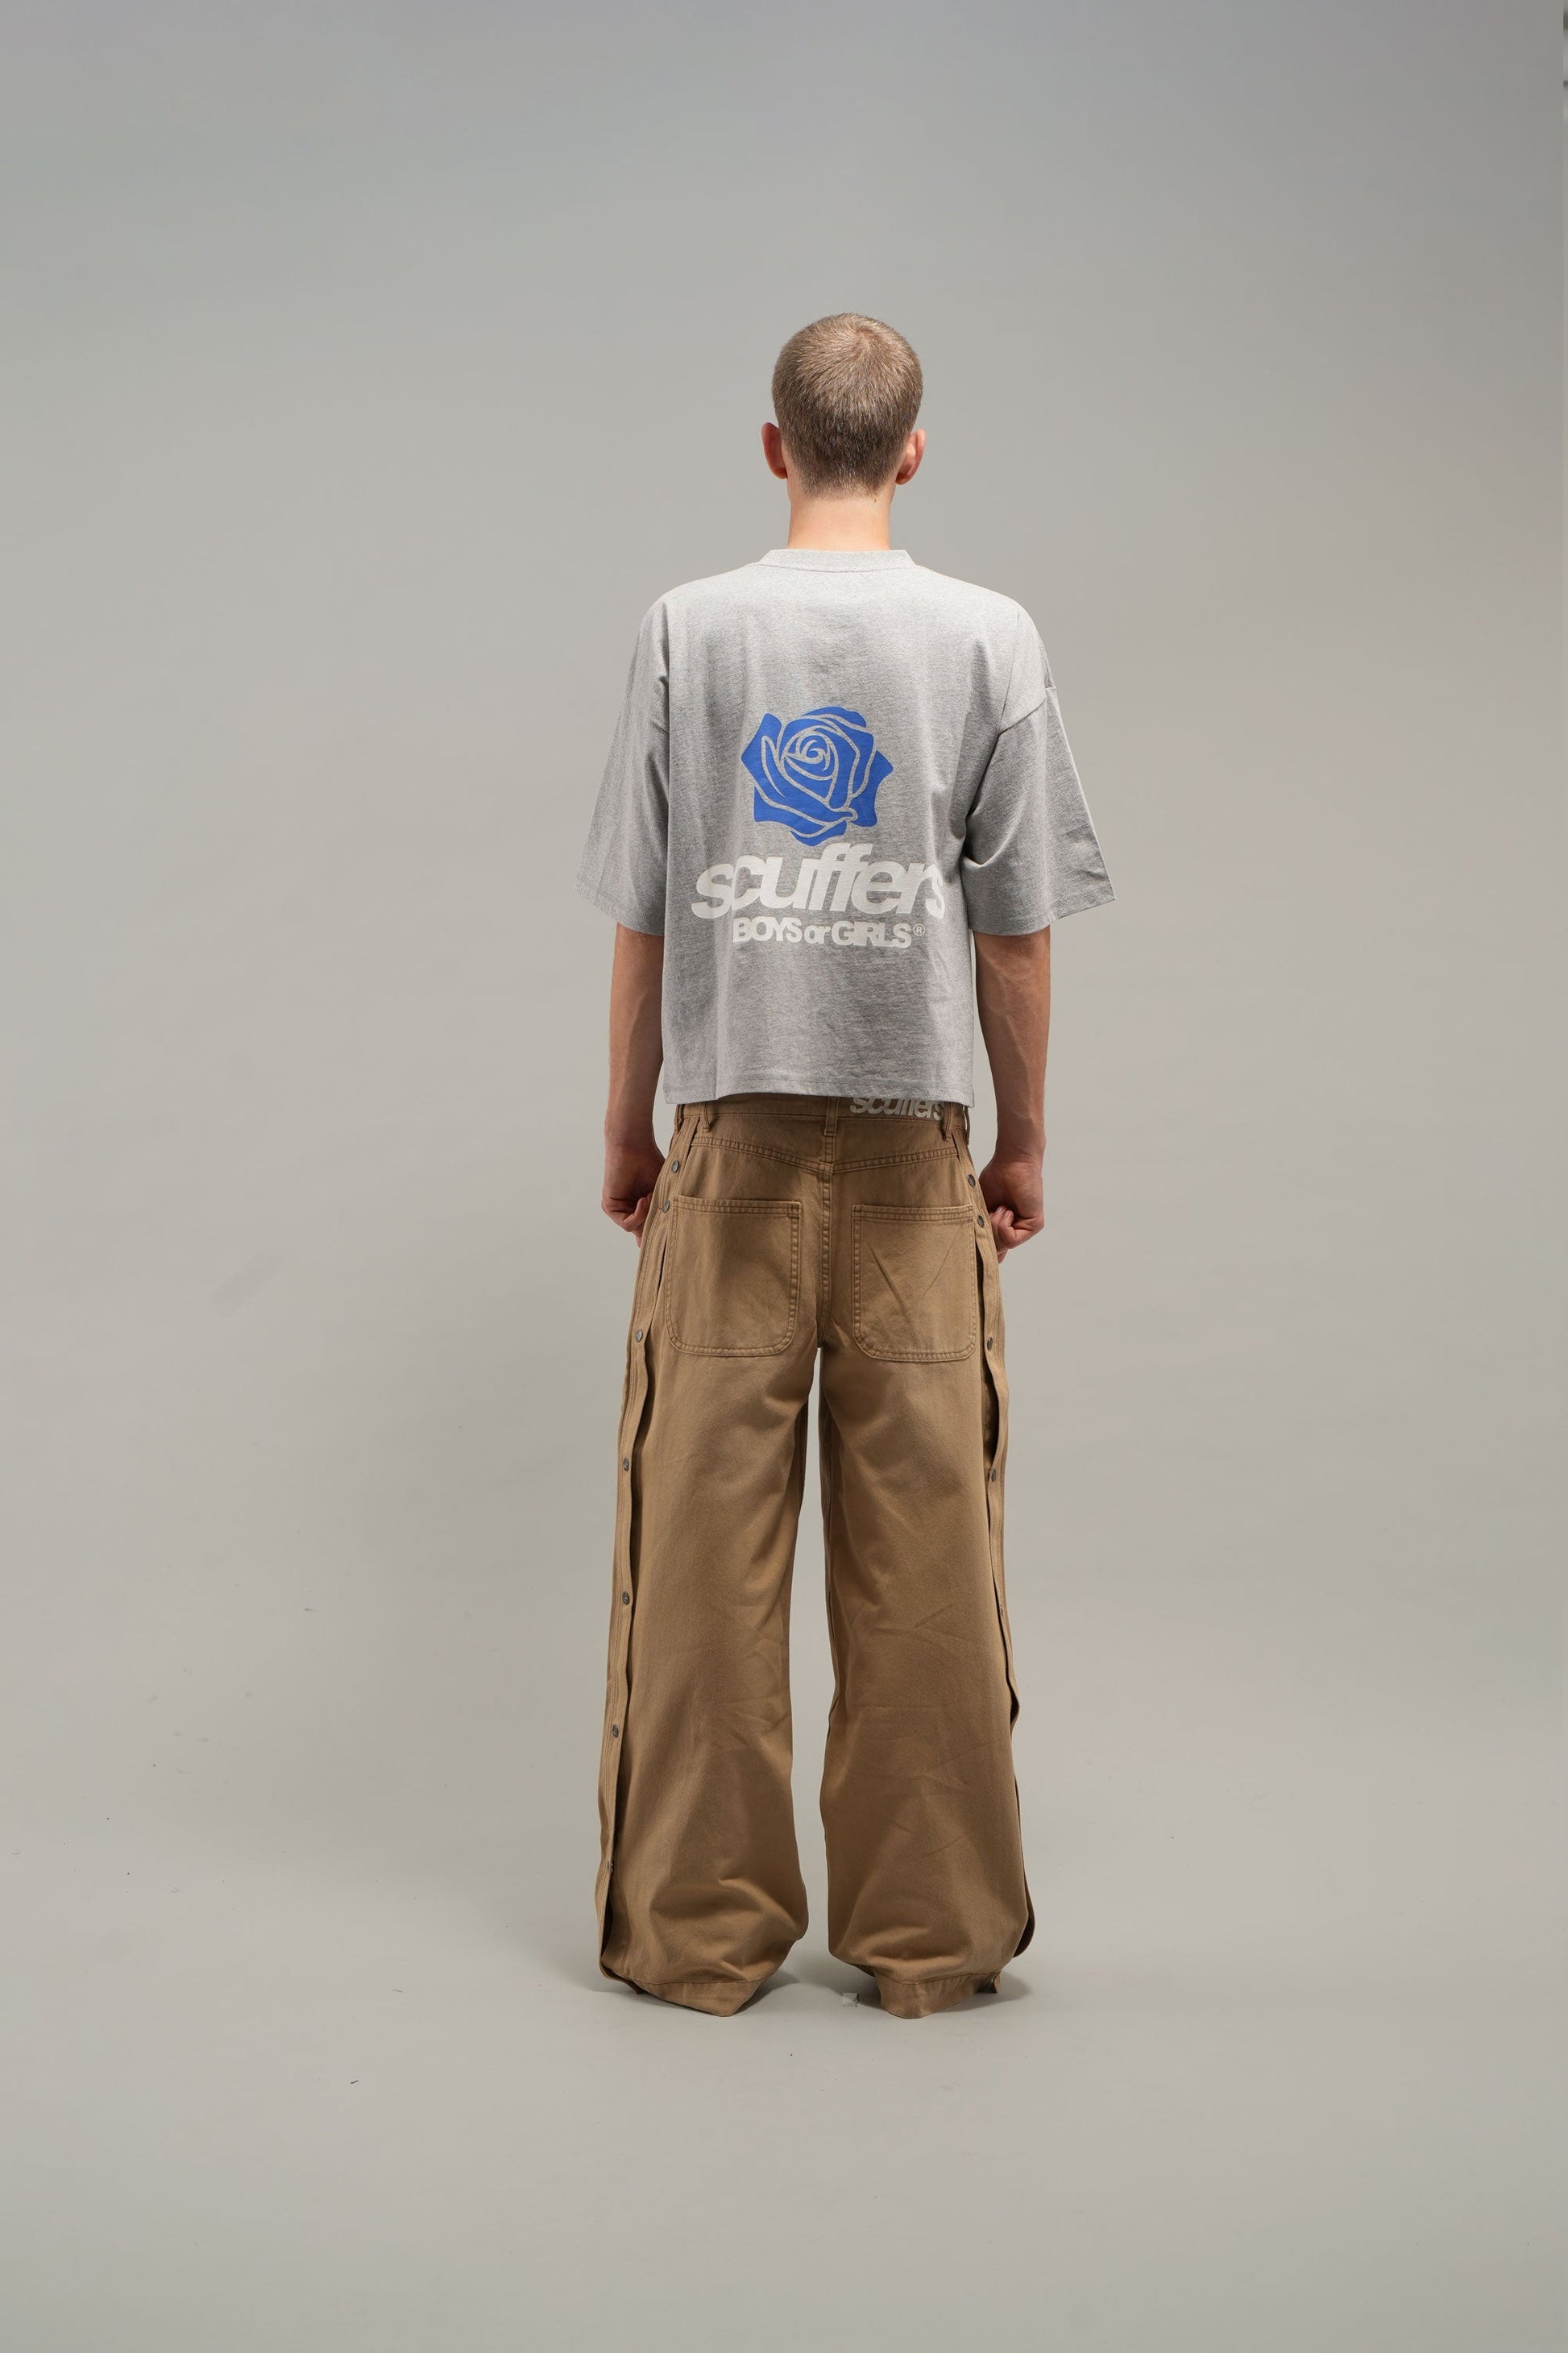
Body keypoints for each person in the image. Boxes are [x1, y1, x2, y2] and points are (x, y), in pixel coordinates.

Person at [575, 313, 1114, 2019]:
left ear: (772, 444)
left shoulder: (689, 628)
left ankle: (696, 1936)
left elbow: (646, 912)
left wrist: (629, 1125)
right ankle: (930, 1943)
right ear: (912, 451)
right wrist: (1022, 1140)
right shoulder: (987, 635)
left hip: (728, 1145)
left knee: (699, 1562)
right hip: (910, 1156)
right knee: (928, 1564)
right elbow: (1014, 932)